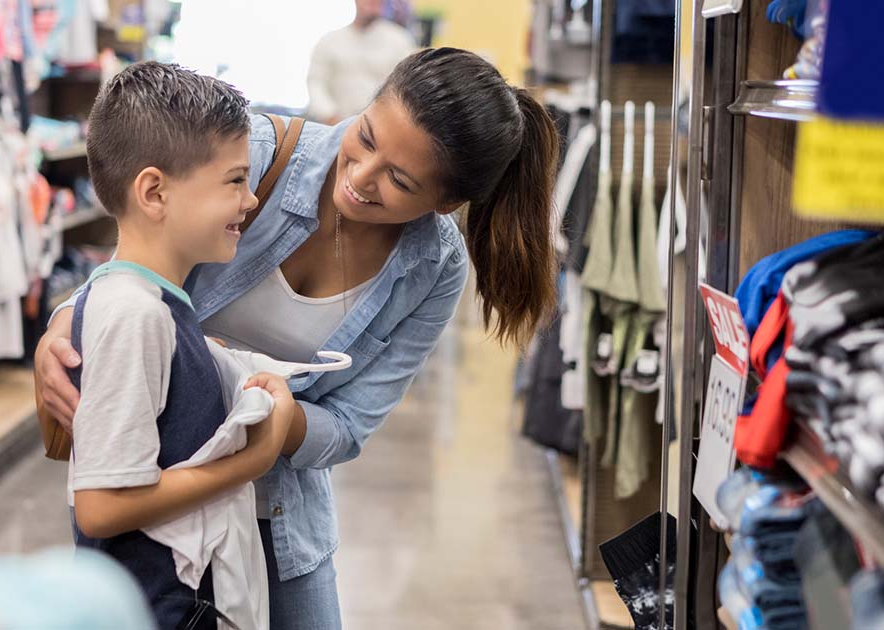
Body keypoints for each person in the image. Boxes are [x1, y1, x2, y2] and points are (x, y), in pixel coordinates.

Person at [37, 48, 561, 630]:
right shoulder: (255, 154)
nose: (360, 177)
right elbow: (136, 261)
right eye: (365, 137)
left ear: (446, 203)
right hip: (160, 498)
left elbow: (351, 425)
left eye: (399, 179)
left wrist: (277, 425)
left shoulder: (434, 268)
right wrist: (63, 328)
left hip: (279, 511)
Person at [65, 62, 296, 629]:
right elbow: (101, 506)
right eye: (235, 181)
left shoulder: (153, 304)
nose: (250, 201)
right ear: (154, 192)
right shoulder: (134, 314)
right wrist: (253, 461)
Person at [306, 0, 416, 125]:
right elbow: (316, 83)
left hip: (382, 128)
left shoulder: (400, 41)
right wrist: (329, 115)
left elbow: (407, 87)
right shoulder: (329, 41)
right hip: (334, 126)